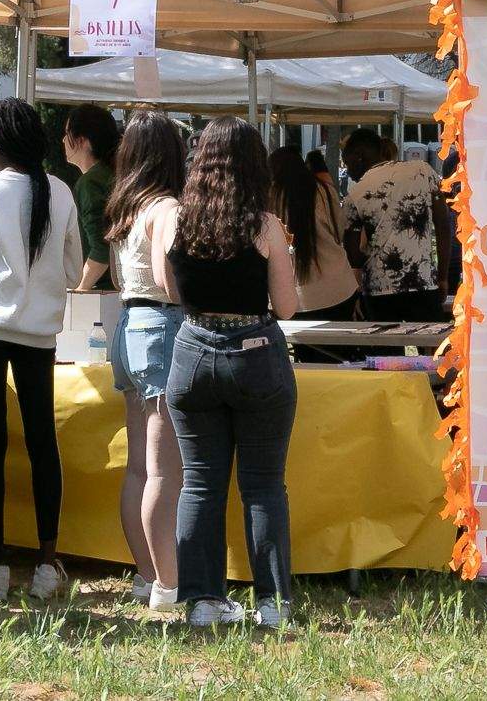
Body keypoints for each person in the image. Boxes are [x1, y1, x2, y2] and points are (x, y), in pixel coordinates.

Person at [159, 116, 301, 628]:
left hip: (193, 350)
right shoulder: (265, 225)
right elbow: (286, 307)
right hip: (256, 352)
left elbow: (172, 291)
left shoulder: (175, 221)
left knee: (199, 483)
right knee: (263, 485)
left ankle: (202, 601)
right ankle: (272, 603)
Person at [0, 98, 83, 602]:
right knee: (41, 443)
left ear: (0, 140)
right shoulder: (61, 193)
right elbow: (73, 272)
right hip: (41, 337)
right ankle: (48, 563)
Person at [103, 111, 188, 611]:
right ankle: (166, 583)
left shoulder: (123, 207)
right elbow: (169, 280)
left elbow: (123, 281)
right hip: (161, 325)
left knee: (139, 466)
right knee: (164, 470)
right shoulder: (166, 208)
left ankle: (145, 573)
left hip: (128, 327)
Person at [341, 127, 450, 321]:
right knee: (430, 350)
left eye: (347, 163)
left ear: (359, 157)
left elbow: (354, 256)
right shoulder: (422, 171)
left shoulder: (355, 196)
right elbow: (443, 226)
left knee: (384, 351)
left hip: (379, 291)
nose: (348, 172)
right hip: (423, 283)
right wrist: (442, 277)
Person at [269, 144, 358, 332]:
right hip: (338, 288)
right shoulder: (324, 191)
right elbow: (339, 231)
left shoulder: (270, 197)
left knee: (306, 356)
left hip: (294, 297)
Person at [64, 105, 120, 291]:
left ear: (83, 141)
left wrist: (80, 290)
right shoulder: (115, 174)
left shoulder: (90, 183)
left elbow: (101, 248)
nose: (63, 140)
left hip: (100, 291)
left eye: (67, 133)